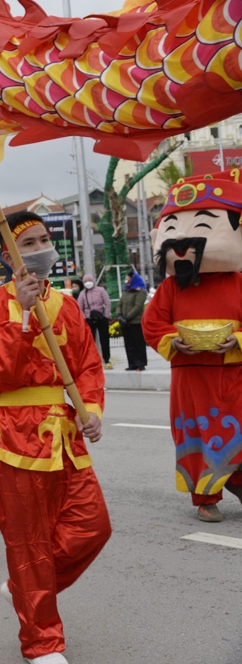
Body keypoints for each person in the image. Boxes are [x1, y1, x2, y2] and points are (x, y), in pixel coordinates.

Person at [0, 211, 110, 664]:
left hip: (63, 433)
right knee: (29, 543)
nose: (40, 249)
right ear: (6, 255)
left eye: (43, 239)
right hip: (13, 435)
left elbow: (88, 365)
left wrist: (90, 409)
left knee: (93, 526)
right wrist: (24, 319)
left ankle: (24, 587)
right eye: (28, 243)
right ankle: (42, 643)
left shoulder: (68, 304)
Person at [142, 170, 242, 523]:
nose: (182, 243)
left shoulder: (238, 282)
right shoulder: (172, 288)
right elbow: (152, 324)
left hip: (234, 374)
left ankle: (238, 483)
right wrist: (174, 342)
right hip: (189, 377)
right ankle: (205, 497)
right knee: (197, 435)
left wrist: (238, 341)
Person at [77, 273, 113, 370]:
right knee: (90, 342)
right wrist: (85, 319)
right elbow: (79, 308)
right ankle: (93, 361)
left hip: (101, 319)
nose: (88, 283)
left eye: (89, 280)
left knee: (104, 340)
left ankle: (107, 360)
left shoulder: (101, 290)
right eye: (86, 281)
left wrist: (105, 315)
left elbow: (107, 303)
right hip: (89, 320)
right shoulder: (82, 294)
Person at [118, 271, 148, 371]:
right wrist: (119, 315)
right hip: (125, 322)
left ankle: (140, 364)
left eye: (128, 278)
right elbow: (120, 304)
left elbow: (138, 306)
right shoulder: (126, 290)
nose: (126, 280)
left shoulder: (141, 291)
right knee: (128, 344)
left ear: (133, 279)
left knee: (138, 343)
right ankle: (132, 363)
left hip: (135, 322)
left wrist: (127, 317)